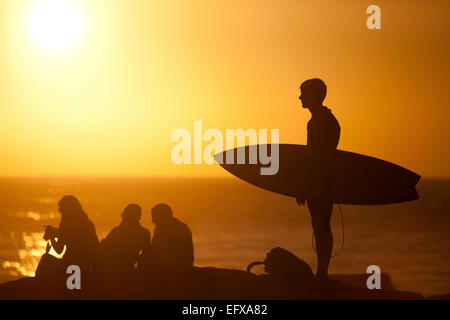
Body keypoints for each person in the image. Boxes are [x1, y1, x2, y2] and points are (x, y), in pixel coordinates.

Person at [296, 78, 340, 280]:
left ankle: (322, 272)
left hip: (321, 182)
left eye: (303, 93)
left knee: (321, 225)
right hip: (323, 181)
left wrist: (304, 185)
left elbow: (317, 158)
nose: (300, 97)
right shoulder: (320, 119)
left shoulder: (321, 122)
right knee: (320, 224)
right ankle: (322, 271)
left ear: (314, 95)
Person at [40, 195, 99, 289]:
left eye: (61, 209)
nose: (60, 212)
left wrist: (53, 235)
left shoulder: (69, 224)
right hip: (87, 263)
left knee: (45, 260)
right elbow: (61, 246)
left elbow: (60, 249)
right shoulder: (86, 222)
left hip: (74, 263)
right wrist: (53, 236)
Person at [96, 204, 151, 298]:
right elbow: (147, 255)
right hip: (128, 270)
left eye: (124, 215)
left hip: (114, 272)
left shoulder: (118, 232)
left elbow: (103, 248)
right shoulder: (143, 232)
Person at [150, 203, 194, 275]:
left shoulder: (177, 229)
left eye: (155, 217)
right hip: (180, 266)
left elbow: (159, 251)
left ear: (163, 217)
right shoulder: (182, 227)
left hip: (176, 269)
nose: (153, 221)